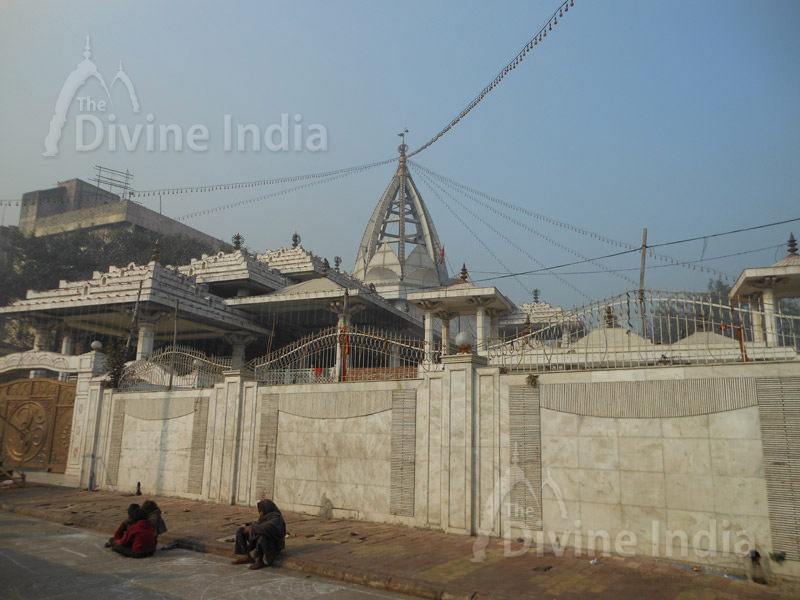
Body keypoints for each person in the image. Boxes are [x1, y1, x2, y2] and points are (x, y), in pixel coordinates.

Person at [231, 499, 286, 569]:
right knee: (241, 531)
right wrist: (248, 525)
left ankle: (259, 561)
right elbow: (258, 524)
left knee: (261, 536)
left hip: (274, 544)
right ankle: (246, 556)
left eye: (260, 510)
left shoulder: (277, 518)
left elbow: (265, 528)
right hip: (262, 535)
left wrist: (251, 528)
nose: (259, 512)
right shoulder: (266, 516)